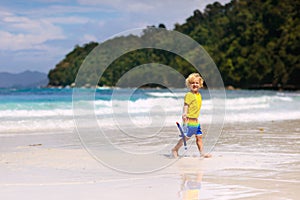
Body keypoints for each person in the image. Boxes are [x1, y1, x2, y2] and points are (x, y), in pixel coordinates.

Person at [172, 73, 211, 158]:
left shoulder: (199, 95)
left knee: (199, 137)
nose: (195, 84)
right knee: (186, 138)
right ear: (189, 84)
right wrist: (184, 114)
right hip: (189, 121)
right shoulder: (189, 95)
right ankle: (175, 149)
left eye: (197, 83)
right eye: (192, 83)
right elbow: (186, 105)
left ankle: (202, 153)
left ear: (200, 85)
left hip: (196, 121)